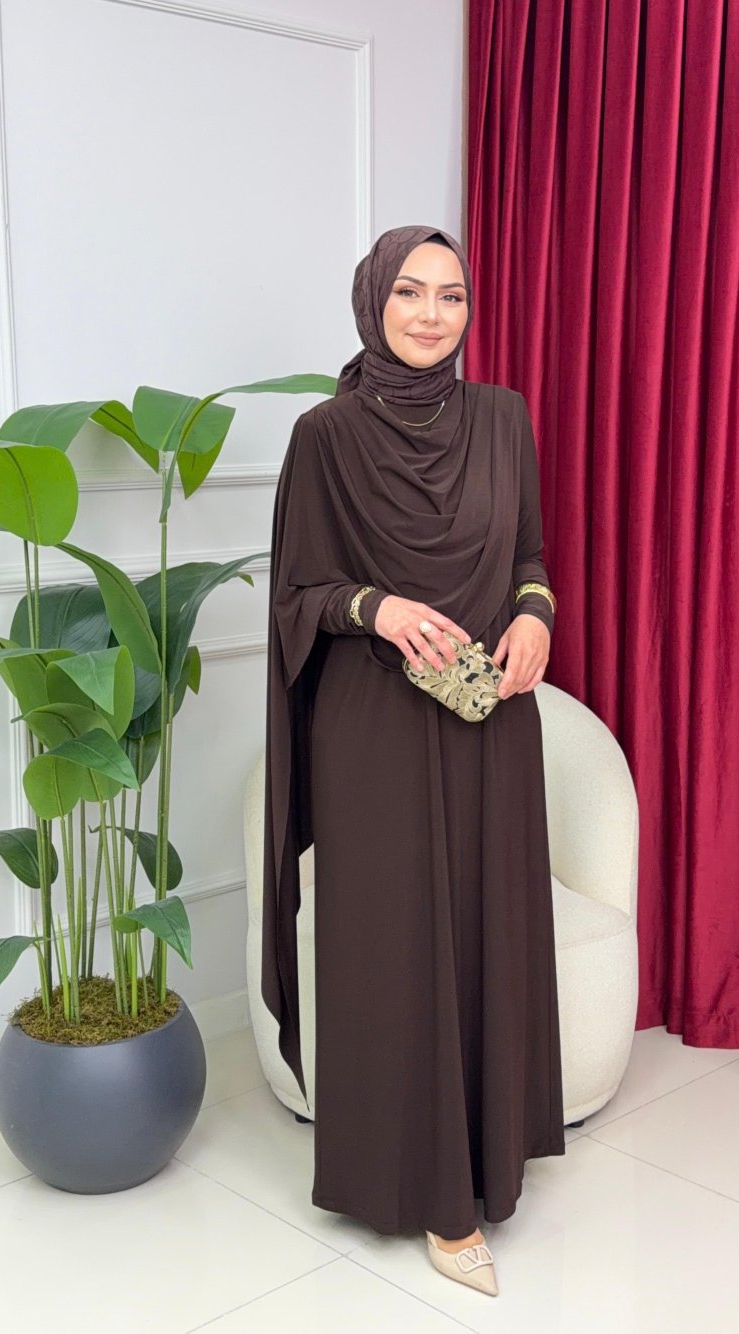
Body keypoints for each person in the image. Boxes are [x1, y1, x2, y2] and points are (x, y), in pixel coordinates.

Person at [262, 224, 564, 1297]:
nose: (432, 314)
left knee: (483, 928)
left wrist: (535, 614)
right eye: (409, 292)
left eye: (452, 295)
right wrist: (378, 608)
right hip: (375, 723)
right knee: (395, 947)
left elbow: (528, 553)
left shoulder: (504, 417)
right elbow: (298, 593)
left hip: (490, 715)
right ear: (371, 302)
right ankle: (429, 1192)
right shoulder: (324, 435)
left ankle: (486, 1158)